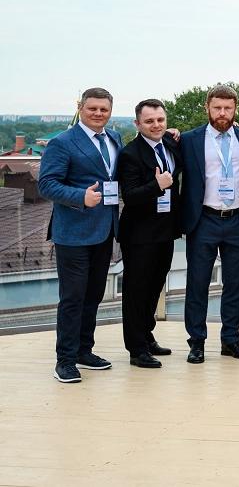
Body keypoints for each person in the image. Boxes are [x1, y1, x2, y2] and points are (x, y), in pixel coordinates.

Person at [38, 88, 123, 383]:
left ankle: (85, 351)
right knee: (73, 298)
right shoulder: (62, 142)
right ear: (81, 108)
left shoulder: (114, 138)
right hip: (73, 232)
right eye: (93, 108)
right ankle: (65, 360)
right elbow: (47, 184)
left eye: (104, 109)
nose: (98, 113)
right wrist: (79, 196)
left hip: (104, 230)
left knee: (93, 296)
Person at [178, 84, 239, 364]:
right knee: (197, 283)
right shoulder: (189, 140)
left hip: (238, 220)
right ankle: (197, 342)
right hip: (204, 220)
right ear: (207, 108)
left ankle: (231, 340)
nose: (222, 113)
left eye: (228, 108)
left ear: (235, 109)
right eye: (217, 108)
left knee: (235, 284)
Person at [115, 98, 181, 369]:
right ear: (137, 123)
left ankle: (147, 334)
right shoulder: (130, 154)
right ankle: (136, 348)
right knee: (136, 291)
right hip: (139, 235)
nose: (156, 125)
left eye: (160, 120)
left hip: (165, 231)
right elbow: (129, 196)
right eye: (149, 121)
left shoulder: (171, 143)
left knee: (155, 287)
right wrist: (157, 185)